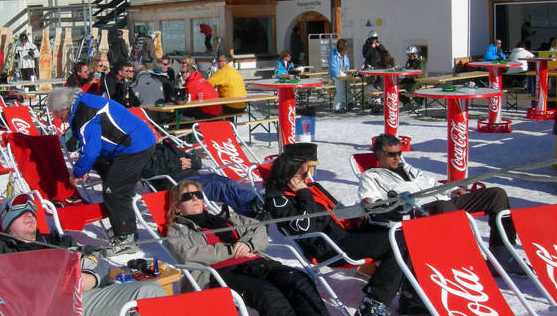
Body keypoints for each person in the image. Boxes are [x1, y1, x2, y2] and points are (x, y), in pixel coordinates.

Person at [263, 143, 412, 316]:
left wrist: (363, 211)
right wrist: (304, 195)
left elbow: (337, 209)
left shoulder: (312, 188)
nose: (306, 177)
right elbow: (303, 227)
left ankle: (410, 294)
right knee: (400, 241)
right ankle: (373, 303)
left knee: (406, 231)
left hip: (346, 232)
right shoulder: (278, 199)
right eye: (302, 174)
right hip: (329, 246)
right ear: (287, 175)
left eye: (307, 172)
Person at [0, 193, 167, 316]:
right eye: (21, 214)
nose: (29, 215)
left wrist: (90, 277)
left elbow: (92, 258)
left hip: (85, 296)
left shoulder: (57, 242)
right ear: (7, 224)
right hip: (52, 307)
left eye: (32, 213)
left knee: (148, 290)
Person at [358, 133, 522, 275]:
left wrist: (453, 191)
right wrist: (393, 205)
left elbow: (432, 183)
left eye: (399, 153)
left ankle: (503, 254)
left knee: (496, 194)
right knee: (444, 206)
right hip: (418, 212)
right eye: (391, 154)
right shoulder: (371, 176)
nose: (397, 158)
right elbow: (370, 202)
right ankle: (470, 259)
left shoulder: (407, 169)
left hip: (443, 202)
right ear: (378, 155)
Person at [166, 180, 330, 316]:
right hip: (221, 273)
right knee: (268, 294)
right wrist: (232, 250)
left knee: (298, 280)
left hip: (256, 263)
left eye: (198, 194)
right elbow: (187, 254)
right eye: (188, 196)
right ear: (177, 207)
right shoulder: (178, 229)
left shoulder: (227, 218)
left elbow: (258, 227)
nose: (195, 199)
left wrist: (247, 244)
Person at [47, 87, 155, 256]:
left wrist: (77, 172)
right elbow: (92, 147)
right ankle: (122, 224)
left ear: (65, 108)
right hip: (129, 143)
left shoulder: (84, 115)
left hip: (134, 146)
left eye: (56, 113)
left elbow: (91, 150)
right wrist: (86, 166)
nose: (58, 118)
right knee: (112, 183)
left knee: (114, 190)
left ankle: (127, 237)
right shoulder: (82, 103)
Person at [329, 39, 350, 112]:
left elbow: (347, 63)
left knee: (346, 89)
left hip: (343, 74)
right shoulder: (333, 54)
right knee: (340, 90)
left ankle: (348, 103)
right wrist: (338, 75)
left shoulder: (344, 53)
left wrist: (347, 69)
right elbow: (333, 65)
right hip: (336, 75)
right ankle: (336, 108)